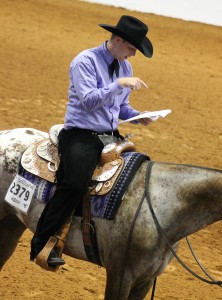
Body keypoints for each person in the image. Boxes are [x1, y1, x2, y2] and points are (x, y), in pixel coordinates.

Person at [30, 15, 153, 267]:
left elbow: (121, 107)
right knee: (74, 184)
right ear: (118, 40)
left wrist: (138, 116)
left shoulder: (124, 67)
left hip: (110, 136)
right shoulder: (84, 61)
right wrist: (118, 84)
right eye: (132, 48)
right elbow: (88, 101)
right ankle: (42, 243)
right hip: (80, 135)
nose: (133, 55)